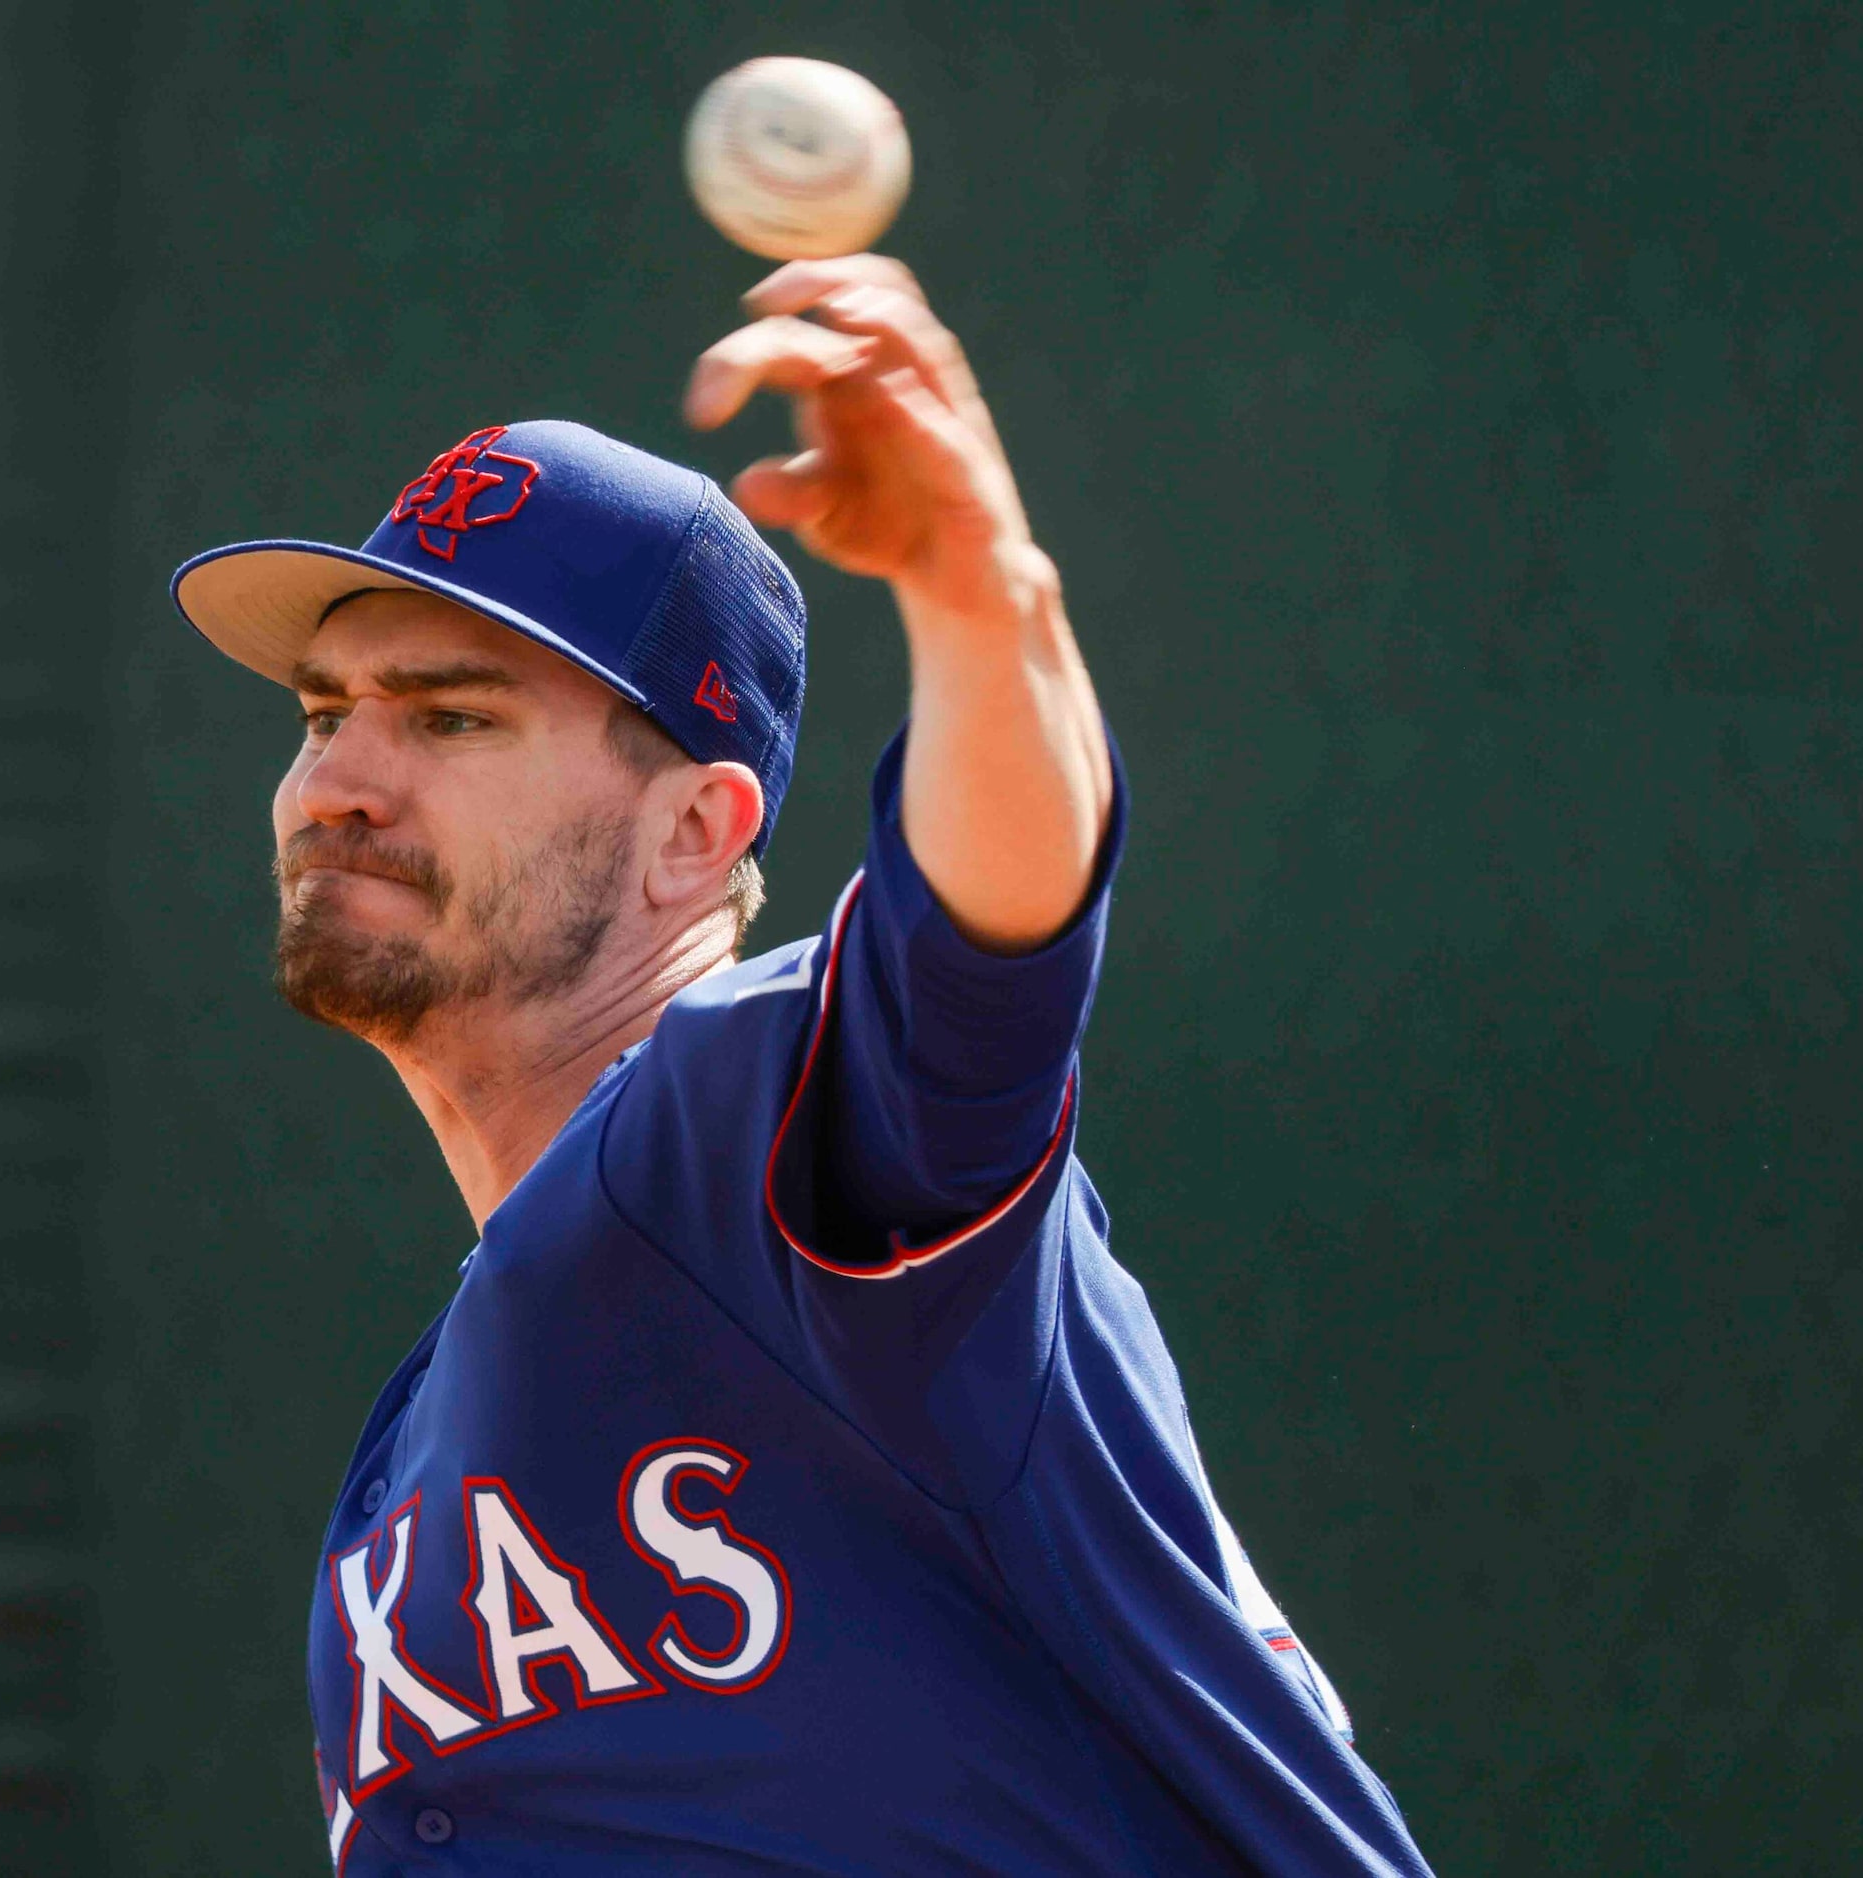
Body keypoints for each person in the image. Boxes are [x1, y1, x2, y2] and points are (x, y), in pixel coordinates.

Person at [170, 255, 1432, 1875]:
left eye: (451, 718)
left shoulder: (762, 1123)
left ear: (692, 833)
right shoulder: (403, 1476)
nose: (335, 777)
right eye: (321, 710)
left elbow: (981, 956)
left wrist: (983, 596)